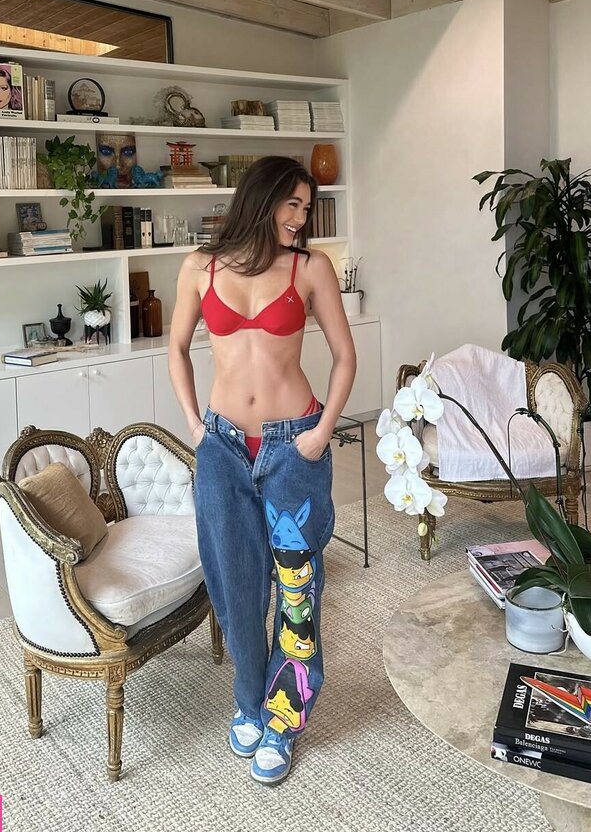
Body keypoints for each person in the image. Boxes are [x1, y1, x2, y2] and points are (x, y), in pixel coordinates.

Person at [168, 155, 356, 785]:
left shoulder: (311, 267)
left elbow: (345, 357)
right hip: (222, 449)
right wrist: (196, 427)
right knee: (235, 583)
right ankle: (250, 702)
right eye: (292, 204)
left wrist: (320, 434)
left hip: (291, 447)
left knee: (297, 588)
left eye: (307, 207)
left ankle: (283, 718)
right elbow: (176, 348)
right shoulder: (199, 267)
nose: (301, 218)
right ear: (262, 197)